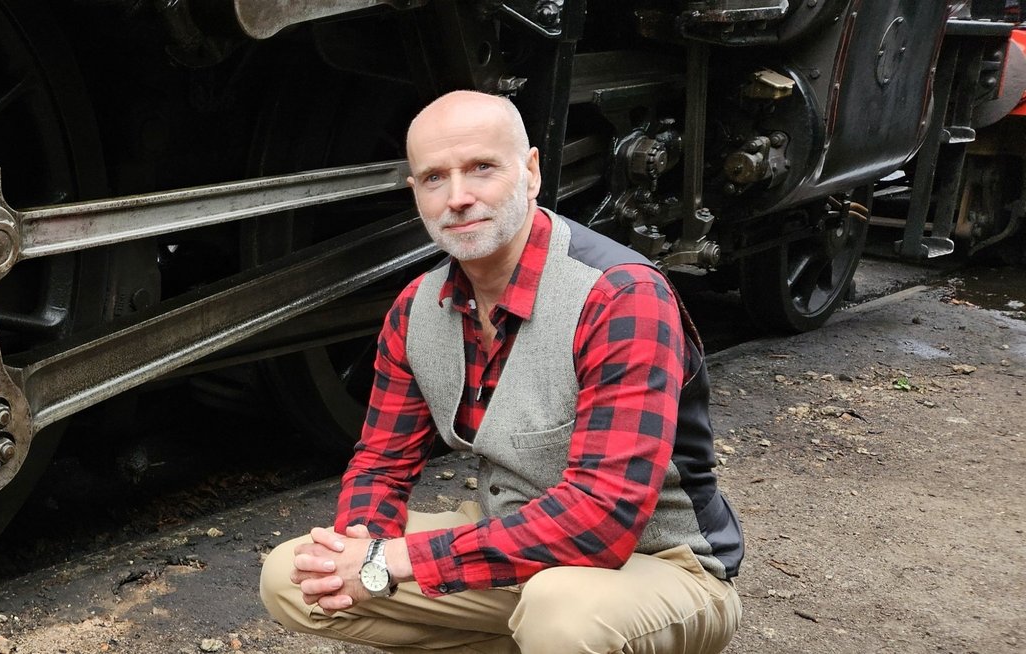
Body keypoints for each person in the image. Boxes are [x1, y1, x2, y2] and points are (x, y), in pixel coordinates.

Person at [258, 90, 744, 653]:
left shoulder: (620, 295)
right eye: (435, 178)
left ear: (532, 172)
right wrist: (362, 550)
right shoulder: (417, 308)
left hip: (659, 562)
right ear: (415, 192)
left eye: (482, 168)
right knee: (292, 577)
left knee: (561, 616)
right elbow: (381, 465)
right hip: (512, 550)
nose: (458, 198)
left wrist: (396, 561)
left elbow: (604, 516)